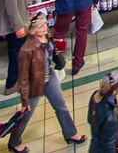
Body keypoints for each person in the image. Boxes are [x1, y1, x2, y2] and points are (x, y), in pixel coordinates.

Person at [11, 13, 86, 152]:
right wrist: (24, 100)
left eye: (45, 24)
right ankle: (14, 141)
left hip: (50, 77)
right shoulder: (26, 50)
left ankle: (71, 134)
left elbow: (52, 54)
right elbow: (23, 78)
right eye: (40, 26)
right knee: (26, 113)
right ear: (33, 31)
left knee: (61, 106)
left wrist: (57, 53)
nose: (44, 28)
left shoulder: (48, 37)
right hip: (35, 83)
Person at [87, 73, 118, 153]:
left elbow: (90, 119)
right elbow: (109, 147)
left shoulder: (95, 95)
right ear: (114, 91)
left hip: (95, 146)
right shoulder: (111, 119)